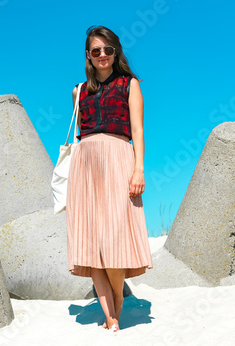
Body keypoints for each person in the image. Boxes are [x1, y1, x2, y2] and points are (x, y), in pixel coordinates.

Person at [66, 25, 153, 333]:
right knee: (91, 241)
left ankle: (117, 298)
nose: (102, 55)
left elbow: (139, 131)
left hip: (119, 157)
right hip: (85, 163)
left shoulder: (130, 85)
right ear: (88, 55)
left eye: (108, 50)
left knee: (114, 239)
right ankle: (110, 315)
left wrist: (138, 169)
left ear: (116, 52)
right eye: (95, 51)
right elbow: (79, 132)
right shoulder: (78, 90)